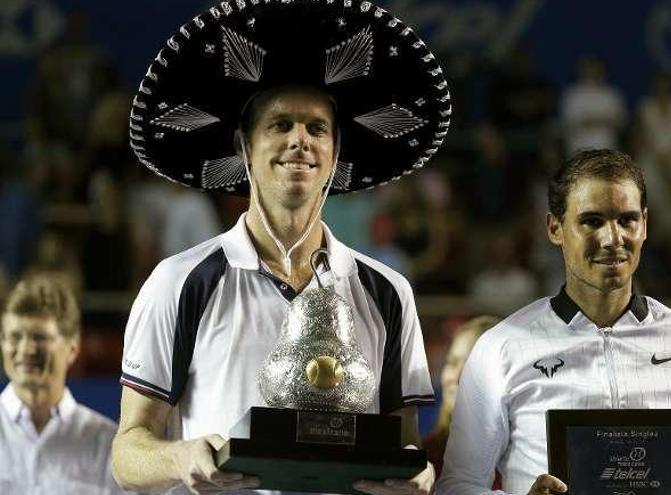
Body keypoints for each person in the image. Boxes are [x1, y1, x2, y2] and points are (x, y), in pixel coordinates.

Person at [110, 3, 452, 494]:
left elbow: (402, 444)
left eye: (317, 128)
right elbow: (128, 453)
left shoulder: (388, 292)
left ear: (336, 153)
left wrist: (416, 472)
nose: (300, 140)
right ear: (243, 146)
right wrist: (179, 456)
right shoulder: (180, 281)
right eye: (280, 124)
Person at [436, 149, 671, 495]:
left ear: (645, 224)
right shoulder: (501, 348)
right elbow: (458, 484)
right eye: (592, 221)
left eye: (627, 219)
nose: (613, 239)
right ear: (555, 228)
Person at [0, 274, 125, 494]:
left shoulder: (106, 445)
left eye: (40, 338)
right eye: (14, 337)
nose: (27, 349)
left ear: (73, 347)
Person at [423, 315, 501, 470]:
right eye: (452, 362)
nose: (456, 376)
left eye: (473, 366)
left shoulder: (525, 462)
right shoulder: (422, 459)